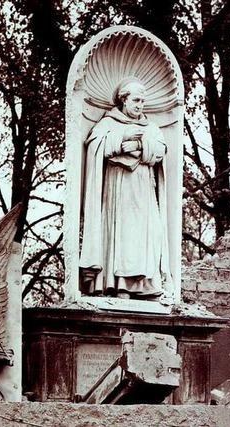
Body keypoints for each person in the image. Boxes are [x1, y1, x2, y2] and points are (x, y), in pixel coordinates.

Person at [79, 77, 172, 298]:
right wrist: (122, 140)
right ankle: (117, 283)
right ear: (124, 100)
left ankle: (142, 286)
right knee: (121, 232)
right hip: (118, 187)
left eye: (143, 101)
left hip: (142, 188)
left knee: (144, 234)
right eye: (136, 100)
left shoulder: (150, 126)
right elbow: (95, 147)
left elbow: (161, 150)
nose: (141, 105)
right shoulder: (108, 122)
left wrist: (139, 145)